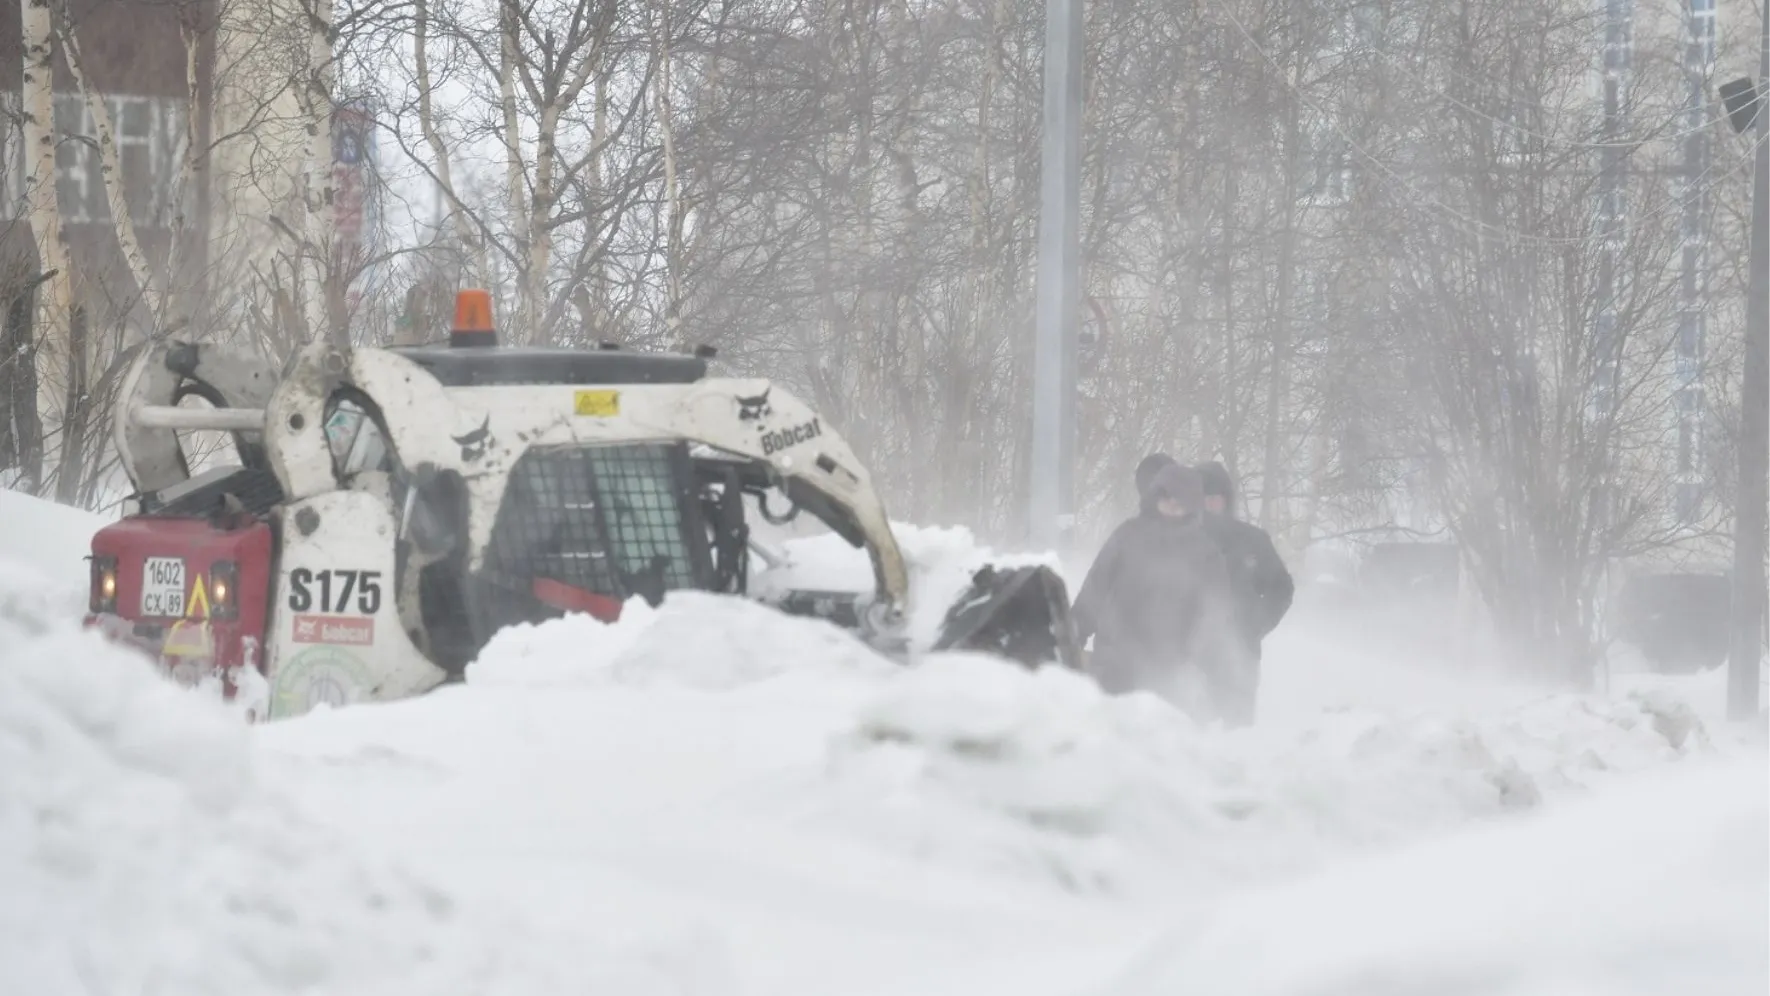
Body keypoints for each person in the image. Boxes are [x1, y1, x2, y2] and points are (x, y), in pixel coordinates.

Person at [1070, 463, 1240, 718]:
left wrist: (1198, 657)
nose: (1172, 504)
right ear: (1154, 497)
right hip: (1114, 662)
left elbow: (1215, 612)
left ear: (1193, 504)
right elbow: (1096, 587)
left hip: (1170, 670)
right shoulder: (1128, 535)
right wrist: (1073, 635)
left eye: (1180, 499)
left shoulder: (1205, 553)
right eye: (1166, 496)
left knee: (1158, 743)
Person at [1191, 459, 1295, 725]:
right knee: (1188, 738)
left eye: (1216, 498)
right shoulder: (1179, 542)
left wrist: (1254, 625)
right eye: (1203, 498)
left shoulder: (1252, 540)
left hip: (1239, 655)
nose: (1210, 505)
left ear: (1227, 500)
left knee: (1235, 735)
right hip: (1189, 657)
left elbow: (1281, 588)